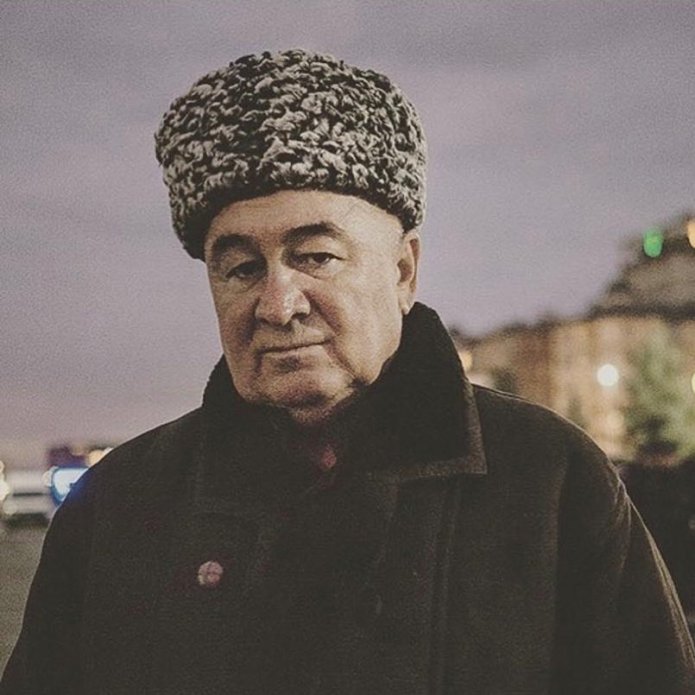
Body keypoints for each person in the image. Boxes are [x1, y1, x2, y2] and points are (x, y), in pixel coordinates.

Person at [2, 48, 694, 694]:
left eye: (316, 257)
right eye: (240, 267)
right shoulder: (118, 506)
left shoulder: (549, 478)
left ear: (403, 271)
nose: (277, 304)